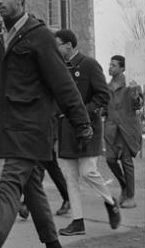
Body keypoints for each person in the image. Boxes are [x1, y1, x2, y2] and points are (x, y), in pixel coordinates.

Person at [0, 0, 94, 248]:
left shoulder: (40, 36)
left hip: (34, 126)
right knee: (32, 187)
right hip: (8, 124)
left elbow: (62, 82)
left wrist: (82, 121)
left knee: (10, 181)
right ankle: (53, 243)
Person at [53, 29, 121, 236]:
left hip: (87, 129)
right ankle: (77, 222)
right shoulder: (58, 68)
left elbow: (103, 96)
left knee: (87, 172)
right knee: (71, 177)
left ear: (68, 45)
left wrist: (82, 112)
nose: (55, 48)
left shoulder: (90, 64)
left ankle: (111, 203)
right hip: (66, 130)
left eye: (57, 44)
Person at [104, 55, 144, 209]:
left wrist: (136, 96)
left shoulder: (132, 85)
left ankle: (131, 197)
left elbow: (138, 105)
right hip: (111, 130)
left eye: (113, 65)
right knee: (110, 160)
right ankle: (124, 187)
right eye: (110, 64)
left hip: (126, 129)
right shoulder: (106, 87)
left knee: (126, 161)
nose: (110, 67)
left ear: (122, 68)